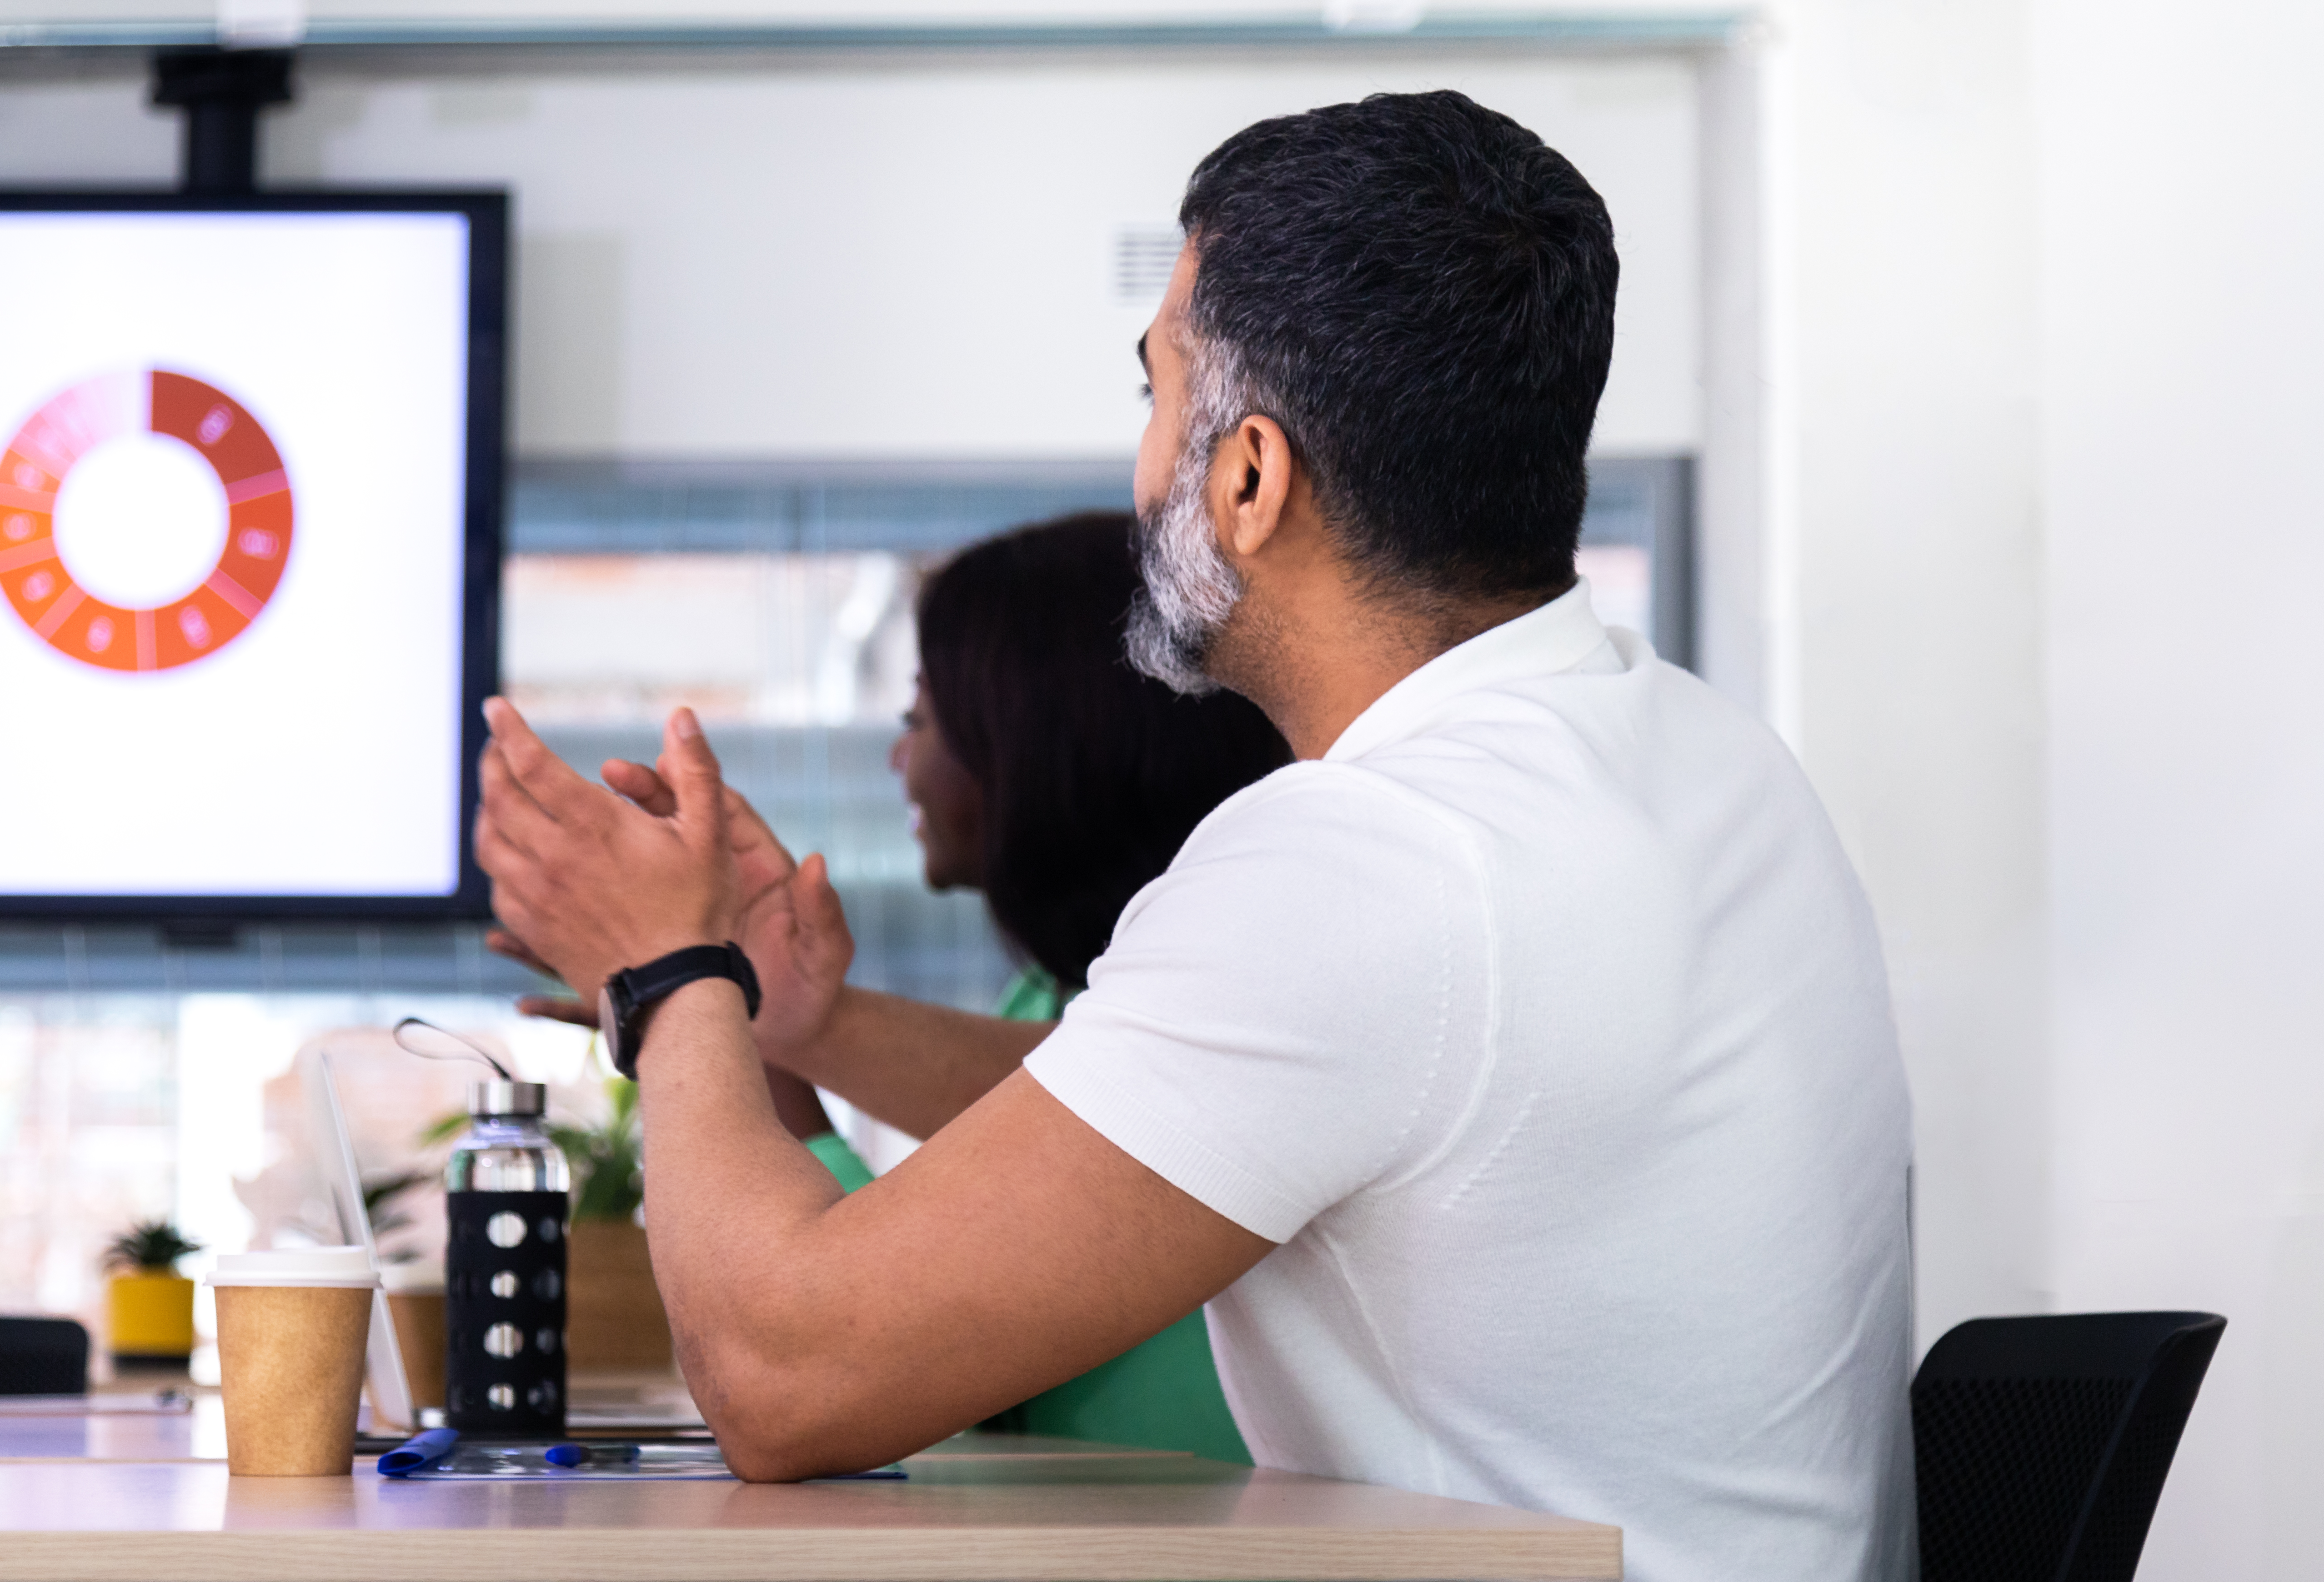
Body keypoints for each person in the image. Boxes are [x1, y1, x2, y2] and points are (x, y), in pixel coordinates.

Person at [473, 90, 1913, 1582]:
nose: (1143, 464)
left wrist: (667, 979)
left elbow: (785, 1380)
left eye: (1155, 396)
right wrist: (799, 1013)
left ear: (1246, 480)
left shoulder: (1369, 860)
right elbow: (1183, 1092)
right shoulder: (1700, 760)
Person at [763, 512, 1290, 1462]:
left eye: (917, 718)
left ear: (1026, 744)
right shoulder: (1038, 1005)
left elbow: (870, 1347)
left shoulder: (1230, 1009)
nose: (898, 760)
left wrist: (740, 1015)